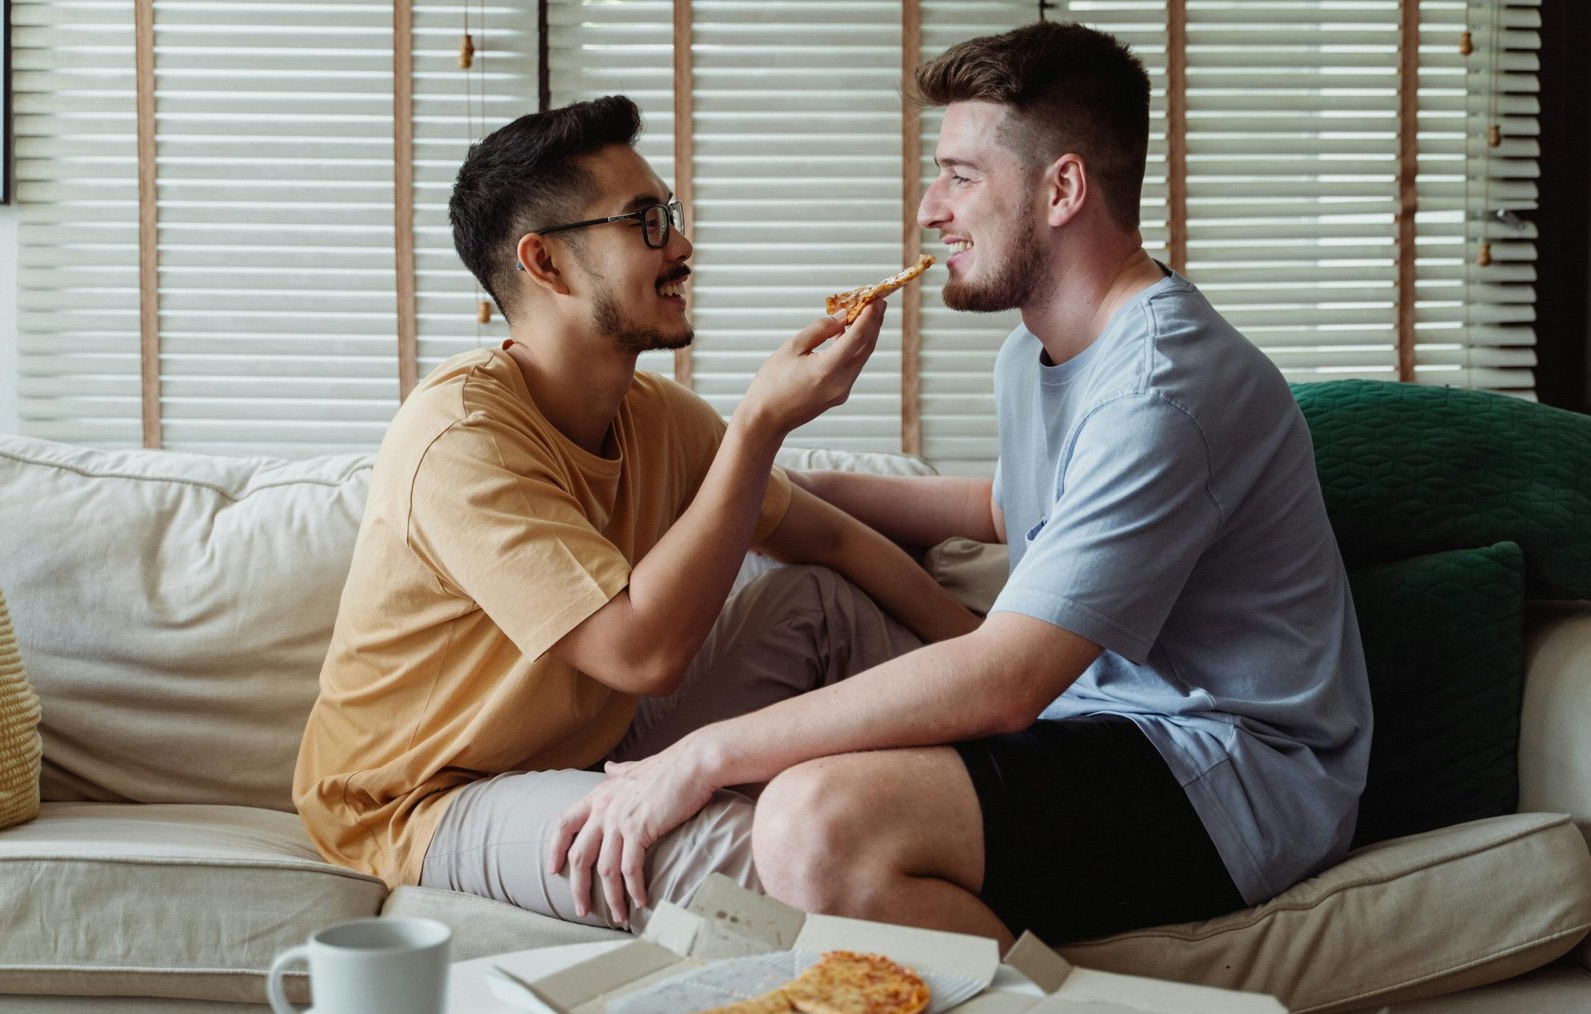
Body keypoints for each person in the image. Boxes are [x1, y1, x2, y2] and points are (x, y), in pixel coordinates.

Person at [548, 21, 1373, 951]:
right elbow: (1009, 511)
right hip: (1095, 721)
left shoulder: (1166, 388)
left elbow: (1011, 676)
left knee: (814, 824)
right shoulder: (1036, 355)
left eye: (960, 175)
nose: (928, 208)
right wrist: (774, 486)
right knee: (795, 680)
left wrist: (698, 755)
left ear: (1062, 188)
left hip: (1229, 770)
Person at [292, 95, 978, 933]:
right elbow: (641, 651)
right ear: (545, 264)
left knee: (817, 603)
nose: (682, 246)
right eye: (646, 222)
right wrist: (760, 423)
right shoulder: (459, 441)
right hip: (427, 793)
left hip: (587, 745)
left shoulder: (657, 416)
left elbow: (828, 534)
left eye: (673, 215)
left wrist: (1017, 671)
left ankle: (1012, 793)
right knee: (764, 856)